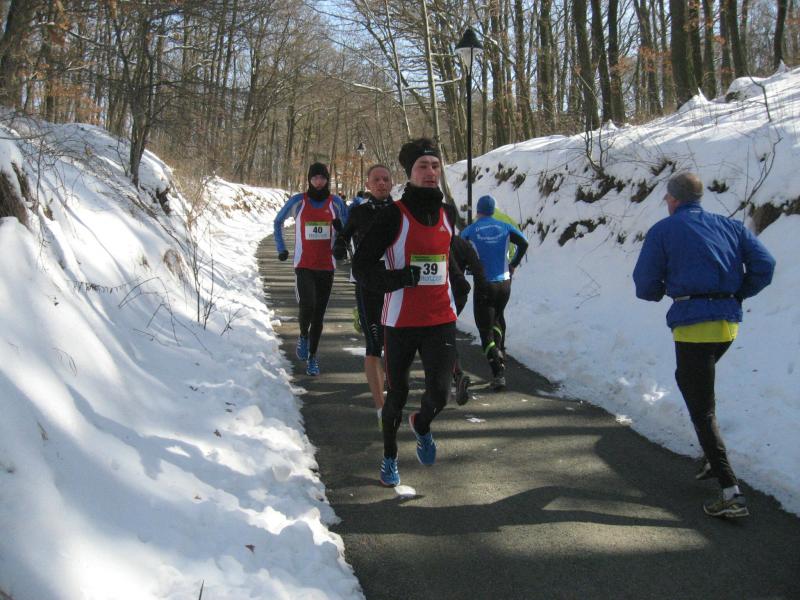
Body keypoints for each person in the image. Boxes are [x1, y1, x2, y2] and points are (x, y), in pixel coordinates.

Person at [633, 172, 775, 519]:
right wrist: (737, 293)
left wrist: (659, 291)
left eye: (666, 197)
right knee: (692, 385)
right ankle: (713, 456)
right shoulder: (730, 226)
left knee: (701, 406)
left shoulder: (663, 230)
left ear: (674, 199)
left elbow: (645, 283)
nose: (665, 202)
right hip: (728, 325)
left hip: (693, 325)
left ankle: (731, 492)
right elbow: (765, 265)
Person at [352, 137, 458, 487]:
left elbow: (448, 260)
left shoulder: (448, 214)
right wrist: (398, 278)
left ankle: (422, 424)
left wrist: (465, 287)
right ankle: (389, 457)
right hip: (400, 321)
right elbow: (361, 267)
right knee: (396, 395)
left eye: (435, 166)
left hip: (441, 318)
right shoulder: (393, 215)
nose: (430, 172)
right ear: (409, 173)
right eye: (422, 166)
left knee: (440, 394)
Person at [333, 165, 394, 429]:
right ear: (368, 185)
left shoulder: (400, 212)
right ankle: (381, 410)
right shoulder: (359, 212)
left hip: (396, 283)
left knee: (394, 342)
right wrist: (339, 247)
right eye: (376, 180)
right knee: (374, 344)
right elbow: (344, 236)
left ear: (392, 183)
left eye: (385, 179)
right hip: (367, 284)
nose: (381, 183)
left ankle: (392, 391)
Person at [273, 162, 348, 376]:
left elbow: (349, 227)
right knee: (308, 305)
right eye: (314, 178)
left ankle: (313, 358)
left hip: (327, 266)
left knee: (319, 315)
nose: (318, 182)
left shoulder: (336, 202)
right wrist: (281, 248)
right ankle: (303, 335)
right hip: (304, 264)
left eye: (322, 178)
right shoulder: (299, 201)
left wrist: (341, 234)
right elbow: (278, 222)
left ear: (327, 180)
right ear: (309, 179)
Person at [460, 195, 529, 389]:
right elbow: (524, 242)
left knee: (484, 330)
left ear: (478, 211)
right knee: (497, 317)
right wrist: (513, 263)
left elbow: (457, 248)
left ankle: (498, 373)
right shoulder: (504, 226)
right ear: (493, 210)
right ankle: (499, 351)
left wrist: (464, 268)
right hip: (504, 283)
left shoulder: (471, 230)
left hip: (484, 284)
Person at [449, 233, 488, 405]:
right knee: (446, 333)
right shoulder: (462, 243)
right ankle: (455, 373)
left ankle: (454, 373)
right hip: (459, 294)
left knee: (438, 336)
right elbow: (478, 268)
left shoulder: (430, 238)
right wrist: (483, 292)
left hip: (439, 293)